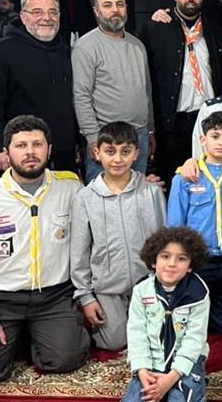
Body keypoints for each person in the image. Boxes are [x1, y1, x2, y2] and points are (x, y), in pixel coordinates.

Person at [0, 115, 89, 388]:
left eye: (37, 144)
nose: (30, 152)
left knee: (66, 359)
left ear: (49, 149)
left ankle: (32, 334)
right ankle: (15, 333)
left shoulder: (71, 188)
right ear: (7, 153)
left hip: (53, 298)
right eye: (21, 145)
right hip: (1, 301)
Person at [70, 121, 167, 351]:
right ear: (97, 153)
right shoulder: (85, 198)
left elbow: (165, 241)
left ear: (136, 154)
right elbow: (79, 252)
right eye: (110, 151)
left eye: (125, 151)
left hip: (147, 283)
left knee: (156, 339)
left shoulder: (151, 192)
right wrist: (86, 297)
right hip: (107, 286)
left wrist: (164, 284)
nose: (117, 159)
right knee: (115, 342)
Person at [0, 0, 79, 173]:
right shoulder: (1, 52)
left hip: (63, 154)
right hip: (22, 154)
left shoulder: (65, 51)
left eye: (53, 12)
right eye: (37, 12)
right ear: (23, 17)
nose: (47, 18)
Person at [116, 227, 210, 402]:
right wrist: (142, 370)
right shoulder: (141, 290)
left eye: (181, 259)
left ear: (190, 265)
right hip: (152, 361)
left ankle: (188, 383)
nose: (172, 264)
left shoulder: (199, 293)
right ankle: (159, 389)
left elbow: (195, 339)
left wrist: (171, 377)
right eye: (165, 256)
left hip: (184, 362)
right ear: (153, 261)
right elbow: (136, 333)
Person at [144, 0, 222, 182]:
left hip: (208, 116)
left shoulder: (214, 26)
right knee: (175, 179)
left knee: (208, 177)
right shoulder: (158, 27)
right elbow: (148, 75)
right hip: (174, 122)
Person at [167, 111, 222, 335]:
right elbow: (175, 226)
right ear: (202, 139)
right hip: (199, 261)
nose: (221, 143)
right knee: (192, 325)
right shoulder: (185, 177)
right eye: (215, 136)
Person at [72, 0, 156, 179]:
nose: (115, 10)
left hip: (140, 136)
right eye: (107, 5)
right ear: (96, 11)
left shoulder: (137, 45)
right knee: (104, 195)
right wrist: (92, 138)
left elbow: (146, 91)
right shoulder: (85, 47)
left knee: (136, 193)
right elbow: (81, 96)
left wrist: (150, 129)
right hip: (106, 138)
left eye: (119, 4)